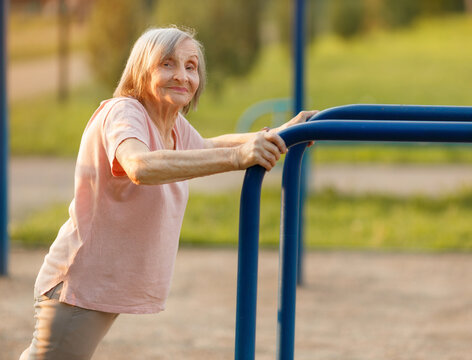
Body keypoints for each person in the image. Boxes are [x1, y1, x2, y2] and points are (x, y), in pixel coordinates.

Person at [19, 26, 317, 360]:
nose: (182, 76)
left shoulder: (169, 123)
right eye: (167, 64)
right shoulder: (124, 112)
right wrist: (237, 158)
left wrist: (281, 133)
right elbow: (139, 165)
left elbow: (206, 146)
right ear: (141, 70)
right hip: (79, 284)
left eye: (191, 67)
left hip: (100, 283)